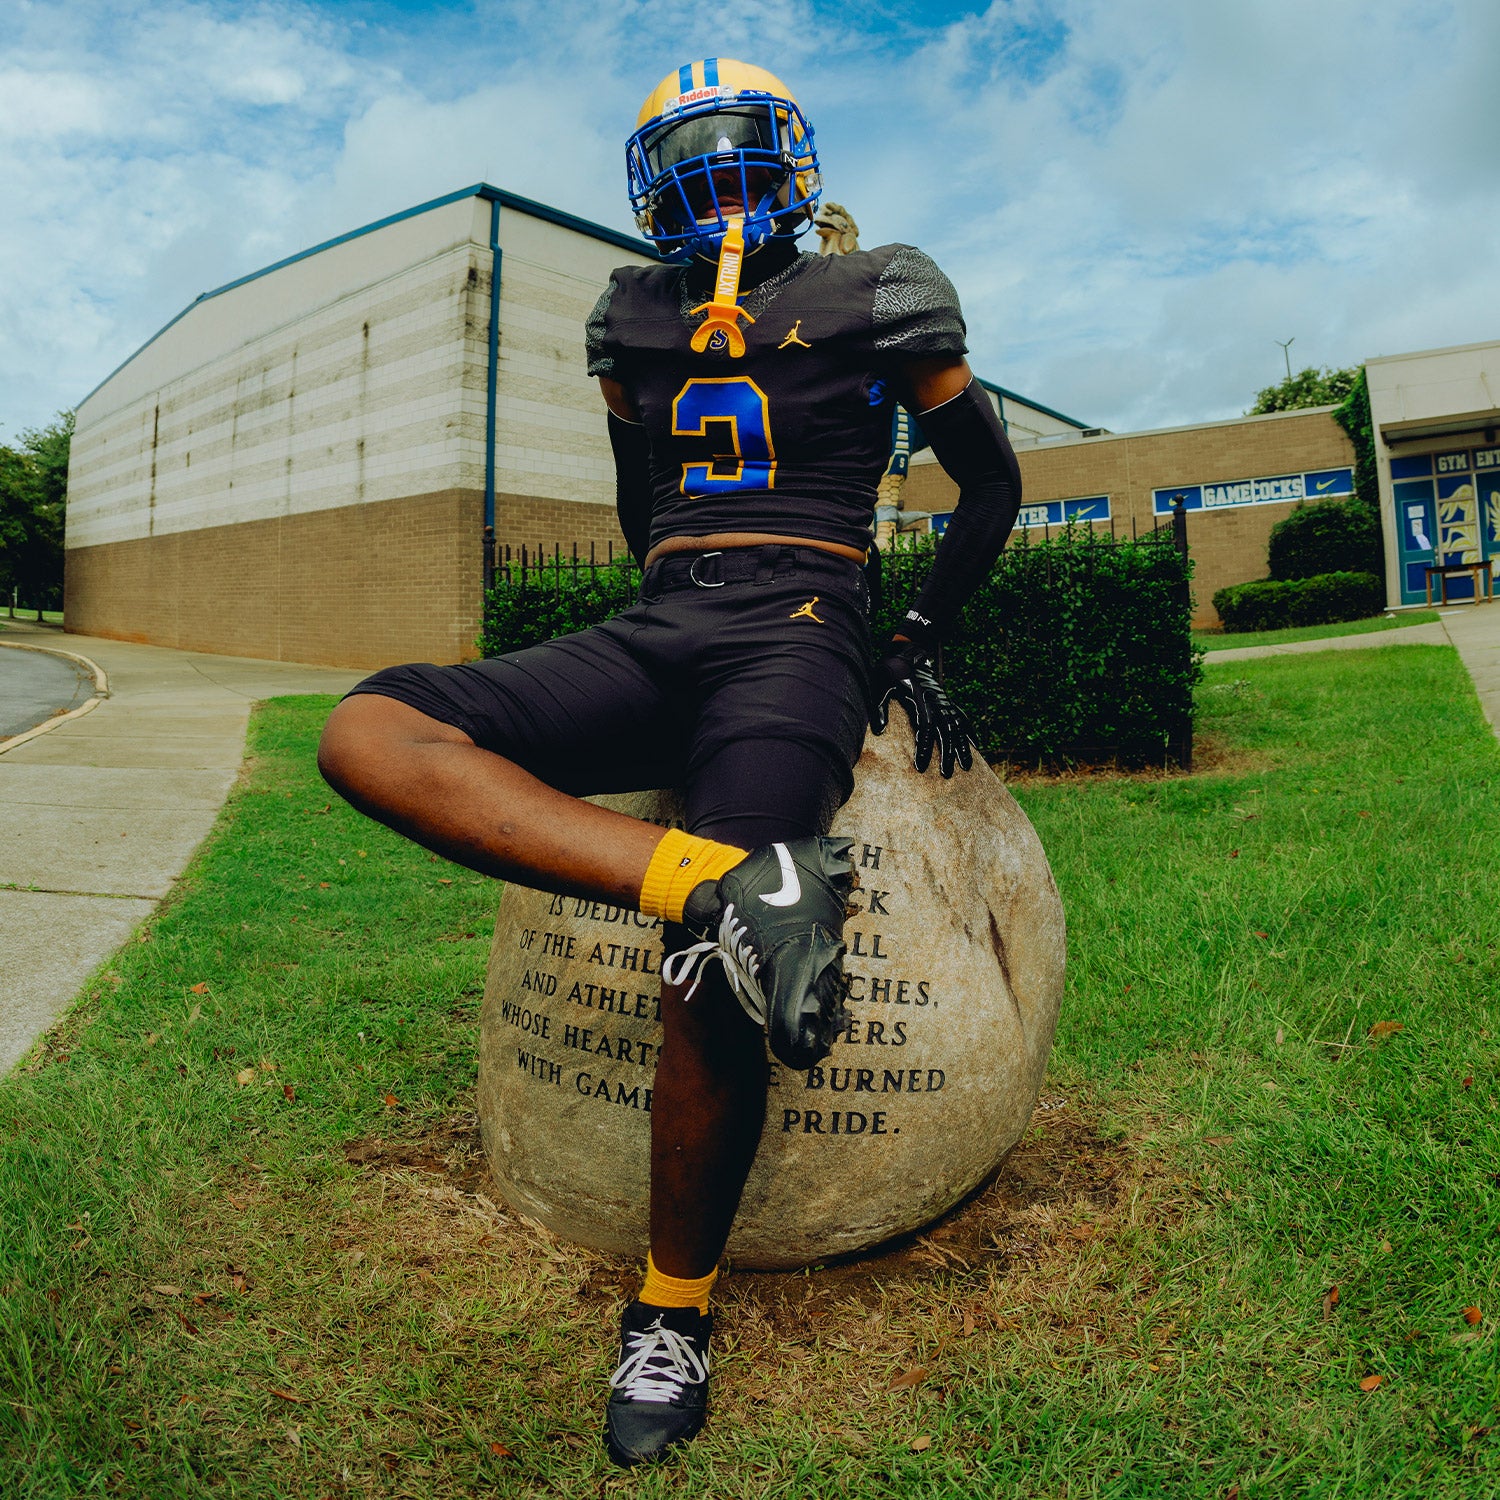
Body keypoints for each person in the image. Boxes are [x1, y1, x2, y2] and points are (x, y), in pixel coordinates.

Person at [317, 56, 1023, 1467]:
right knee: (364, 729)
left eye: (736, 152)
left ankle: (673, 1309)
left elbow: (987, 476)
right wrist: (673, 622)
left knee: (708, 982)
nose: (715, 182)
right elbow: (647, 509)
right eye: (687, 158)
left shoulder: (879, 285)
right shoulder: (628, 312)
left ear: (791, 163)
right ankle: (722, 884)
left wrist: (911, 634)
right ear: (652, 184)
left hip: (803, 624)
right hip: (664, 620)